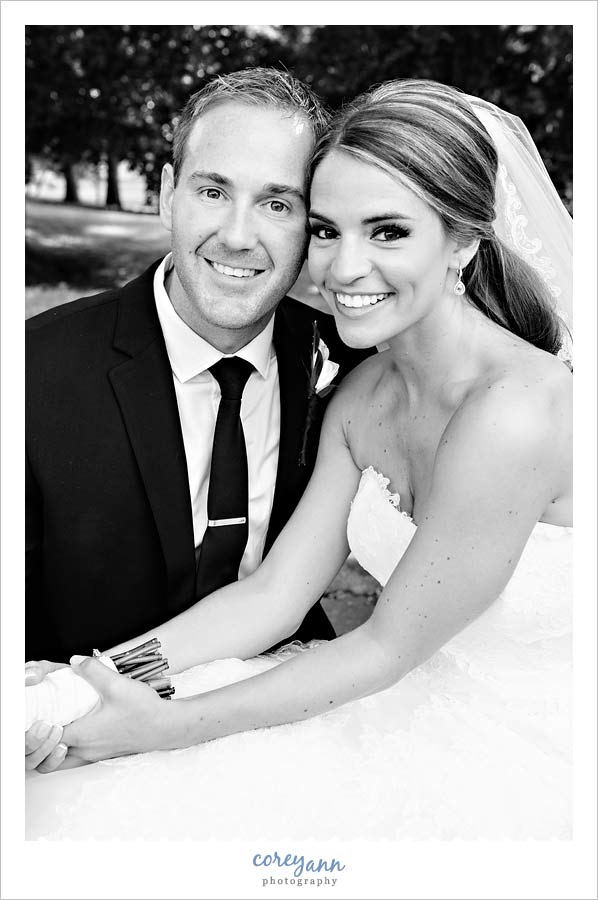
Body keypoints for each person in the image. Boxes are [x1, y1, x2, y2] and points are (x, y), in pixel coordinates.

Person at [26, 80, 572, 840]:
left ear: (465, 241)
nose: (346, 268)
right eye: (326, 230)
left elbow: (383, 647)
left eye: (387, 233)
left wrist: (158, 727)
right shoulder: (366, 392)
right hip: (398, 695)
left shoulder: (516, 411)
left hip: (535, 745)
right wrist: (81, 684)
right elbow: (272, 596)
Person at [25, 67, 371, 667]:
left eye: (277, 203)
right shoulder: (31, 372)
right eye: (213, 192)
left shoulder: (354, 367)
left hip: (281, 702)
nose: (238, 235)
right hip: (76, 727)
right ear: (166, 195)